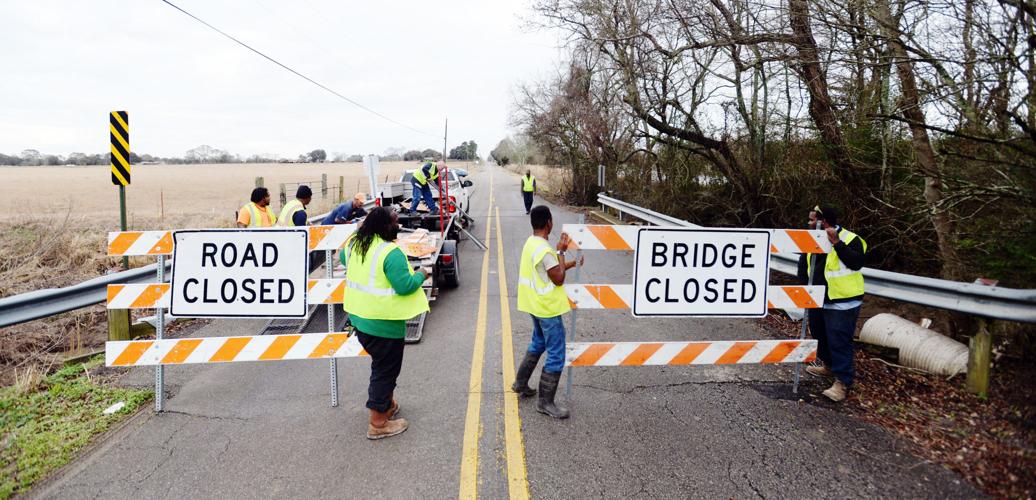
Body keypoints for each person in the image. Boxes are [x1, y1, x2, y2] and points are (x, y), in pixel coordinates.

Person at [341, 207, 431, 439]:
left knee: (382, 366)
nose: (398, 225)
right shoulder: (391, 253)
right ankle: (378, 423)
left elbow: (342, 256)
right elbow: (405, 286)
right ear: (384, 227)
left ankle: (387, 404)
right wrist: (422, 274)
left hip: (359, 320)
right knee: (384, 371)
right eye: (394, 221)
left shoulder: (354, 245)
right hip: (383, 325)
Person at [511, 205, 584, 419]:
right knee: (556, 353)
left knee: (538, 343)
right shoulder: (546, 250)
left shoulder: (531, 243)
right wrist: (561, 250)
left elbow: (551, 270)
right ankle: (545, 403)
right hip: (547, 309)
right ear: (549, 222)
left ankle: (520, 383)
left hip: (533, 305)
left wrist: (569, 263)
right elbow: (558, 278)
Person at [797, 205, 867, 402]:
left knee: (839, 341)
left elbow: (856, 262)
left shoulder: (851, 239)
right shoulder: (812, 239)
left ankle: (842, 381)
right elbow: (804, 265)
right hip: (819, 298)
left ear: (824, 221)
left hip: (843, 300)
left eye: (812, 220)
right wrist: (803, 290)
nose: (808, 223)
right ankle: (828, 366)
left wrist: (836, 242)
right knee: (820, 335)